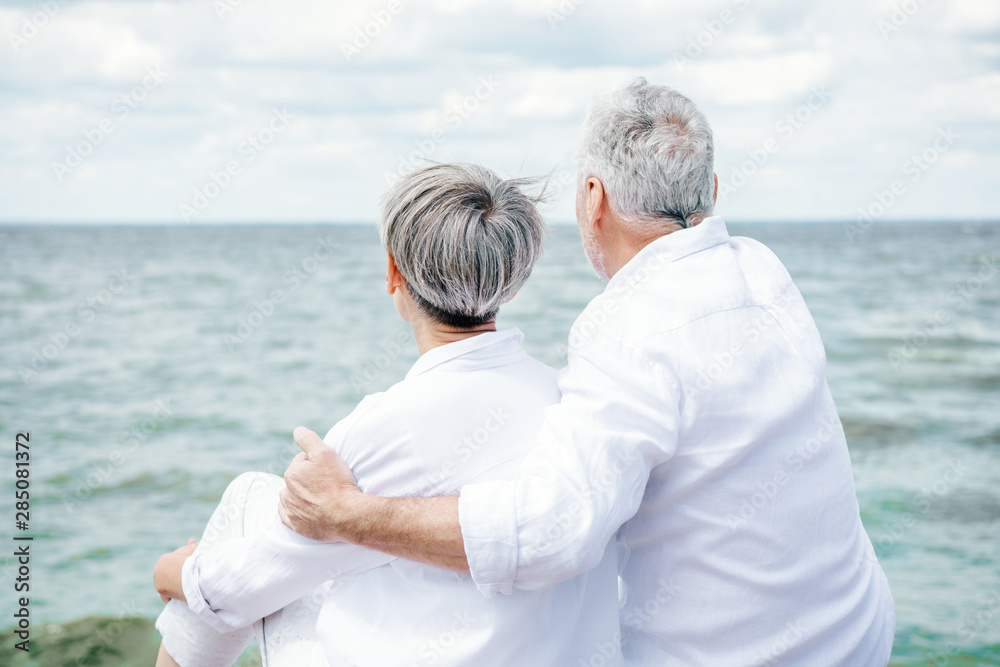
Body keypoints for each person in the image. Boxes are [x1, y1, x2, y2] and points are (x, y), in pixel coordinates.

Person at [278, 79, 898, 665]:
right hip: (855, 631)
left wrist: (345, 513)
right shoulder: (765, 273)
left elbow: (550, 533)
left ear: (595, 197)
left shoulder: (631, 326)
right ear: (710, 188)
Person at [152, 163, 623, 666]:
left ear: (394, 273)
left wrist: (174, 573)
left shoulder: (381, 428)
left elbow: (239, 591)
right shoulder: (569, 400)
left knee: (247, 498)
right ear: (511, 284)